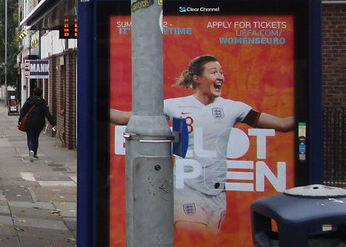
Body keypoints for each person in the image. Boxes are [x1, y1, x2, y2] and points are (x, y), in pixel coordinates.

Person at [109, 54, 294, 234]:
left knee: (209, 245)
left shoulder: (234, 108)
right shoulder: (174, 106)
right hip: (186, 190)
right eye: (213, 72)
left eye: (221, 72)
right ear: (197, 79)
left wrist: (306, 111)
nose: (220, 76)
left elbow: (283, 124)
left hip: (217, 194)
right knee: (193, 240)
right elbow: (126, 117)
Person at [19, 86, 55, 162]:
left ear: (33, 93)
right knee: (36, 138)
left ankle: (31, 150)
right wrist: (53, 123)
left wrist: (20, 121)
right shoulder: (42, 103)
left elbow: (22, 112)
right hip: (39, 123)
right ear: (41, 94)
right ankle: (35, 153)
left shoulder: (29, 101)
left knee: (30, 138)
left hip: (29, 123)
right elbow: (47, 114)